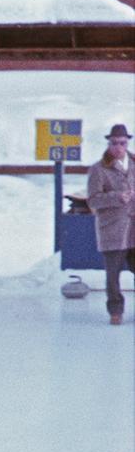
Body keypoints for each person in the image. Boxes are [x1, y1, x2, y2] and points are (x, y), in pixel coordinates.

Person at [85, 123, 134, 326]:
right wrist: (116, 197)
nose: (118, 147)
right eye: (114, 143)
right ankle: (116, 310)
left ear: (127, 143)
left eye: (122, 143)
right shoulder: (98, 169)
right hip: (112, 230)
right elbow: (93, 200)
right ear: (109, 143)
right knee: (112, 275)